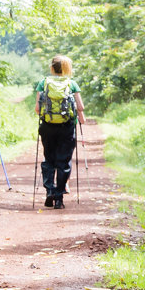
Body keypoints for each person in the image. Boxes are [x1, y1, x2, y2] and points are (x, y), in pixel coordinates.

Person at [34, 55, 85, 209]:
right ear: (66, 68)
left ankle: (49, 190)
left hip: (48, 126)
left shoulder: (44, 83)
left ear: (52, 68)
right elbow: (80, 107)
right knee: (63, 161)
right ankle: (59, 198)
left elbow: (37, 109)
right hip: (66, 127)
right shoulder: (72, 83)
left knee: (49, 159)